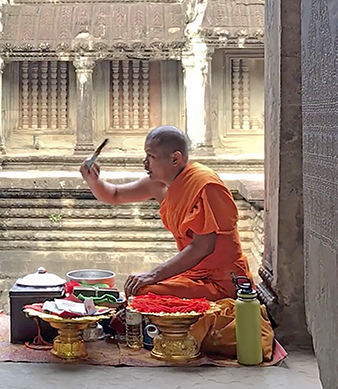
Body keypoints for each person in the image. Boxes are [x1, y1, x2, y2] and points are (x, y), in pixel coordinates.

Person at [80, 126, 251, 301]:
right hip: (192, 274)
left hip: (222, 282)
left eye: (151, 157)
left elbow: (203, 246)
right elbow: (114, 194)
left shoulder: (204, 185)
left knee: (143, 292)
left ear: (175, 158)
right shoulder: (157, 184)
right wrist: (93, 180)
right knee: (140, 289)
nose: (145, 163)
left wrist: (154, 274)